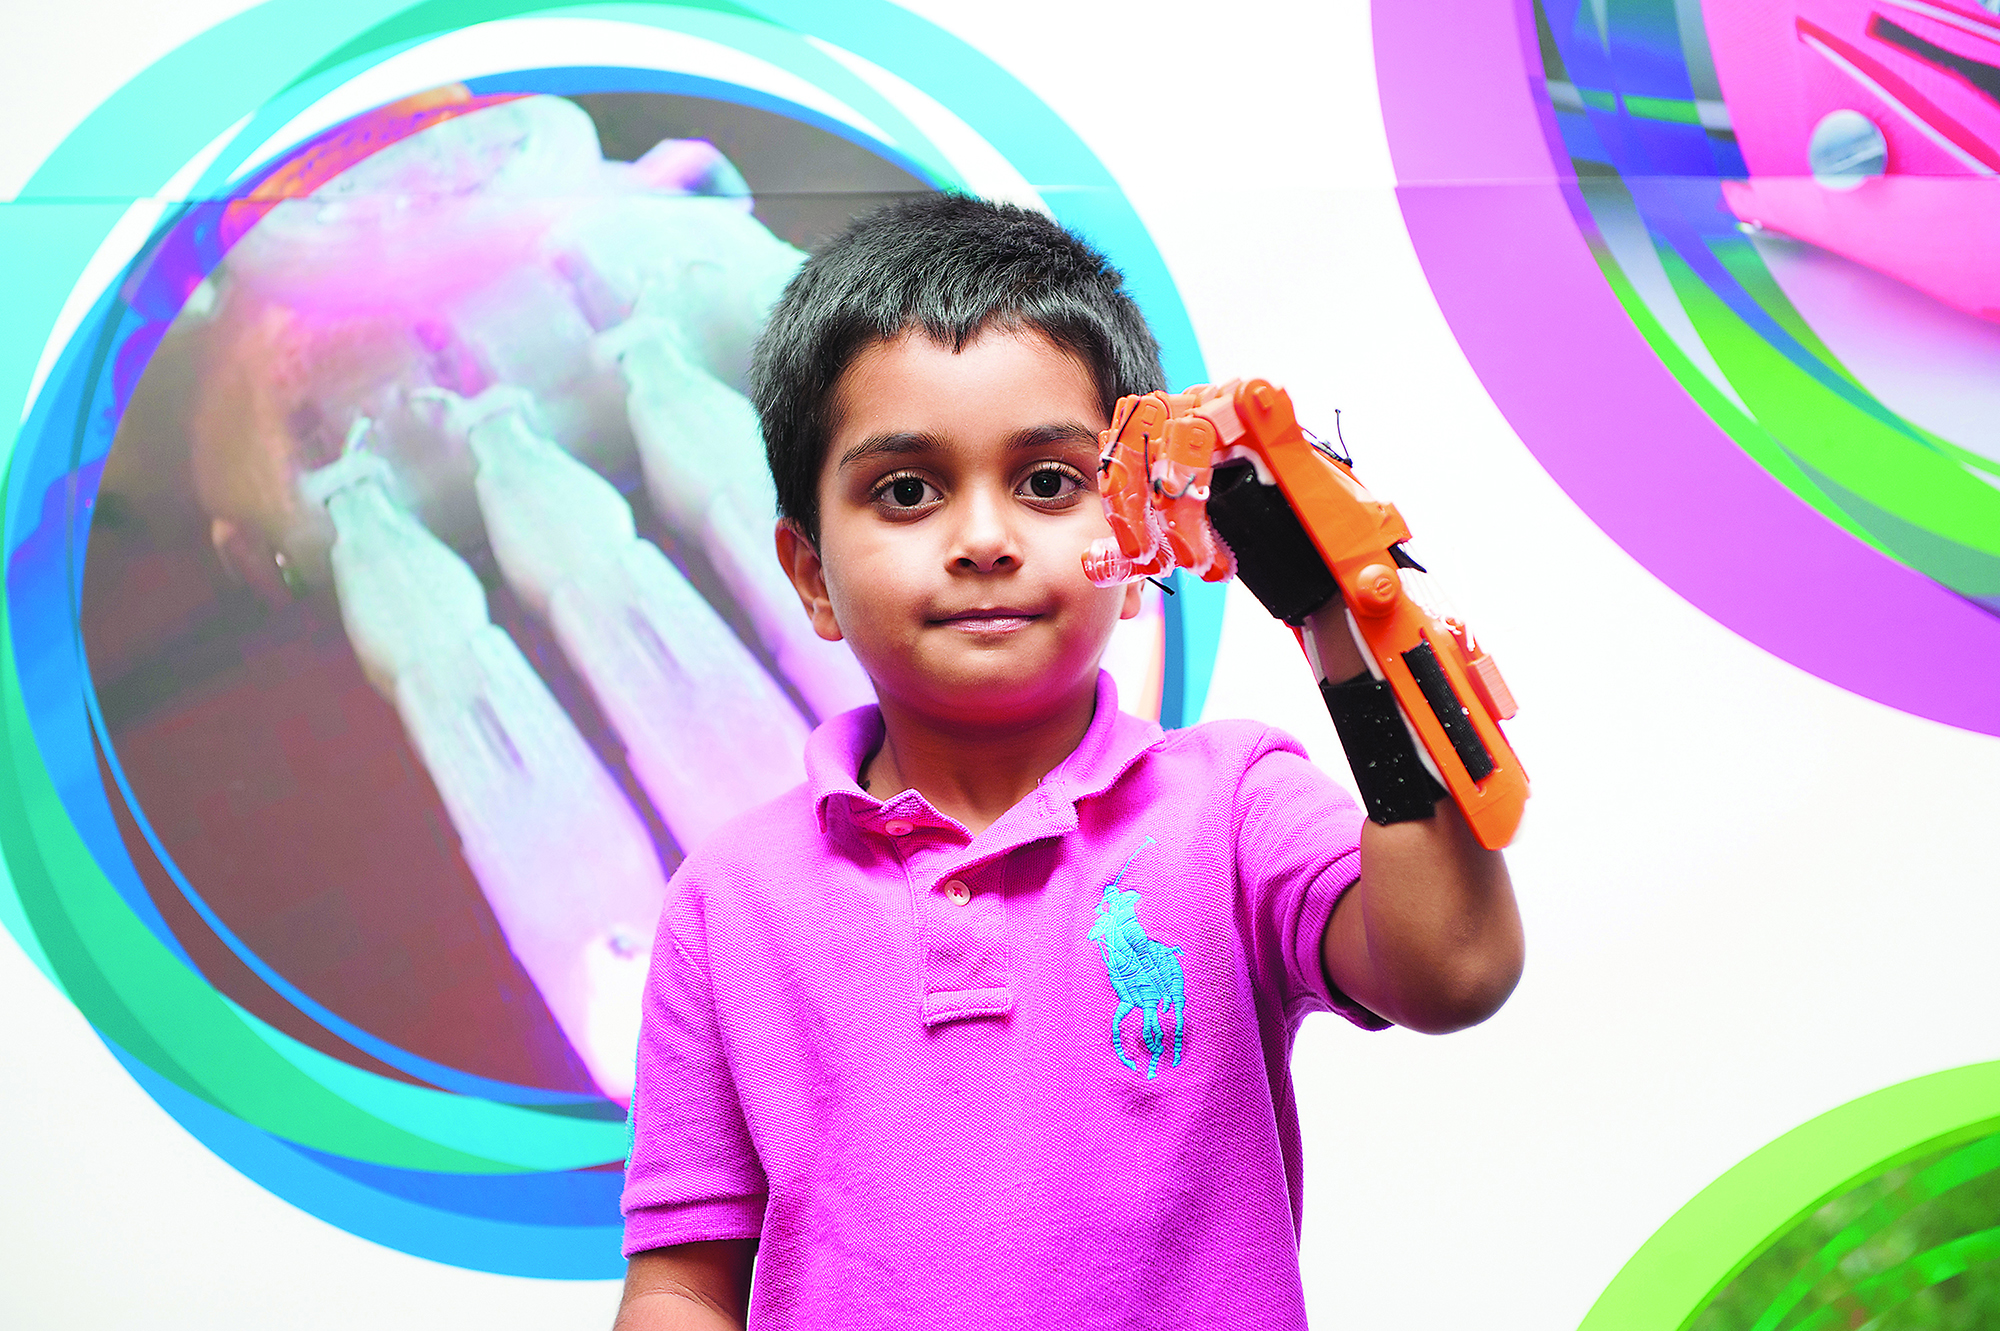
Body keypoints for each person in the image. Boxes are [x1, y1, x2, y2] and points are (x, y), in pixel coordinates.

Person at [613, 194, 1524, 1330]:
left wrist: (1340, 623)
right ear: (808, 574)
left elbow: (1454, 965)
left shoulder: (1231, 807)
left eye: (1047, 480)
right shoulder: (726, 900)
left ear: (1137, 521)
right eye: (906, 490)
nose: (984, 536)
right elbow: (680, 1279)